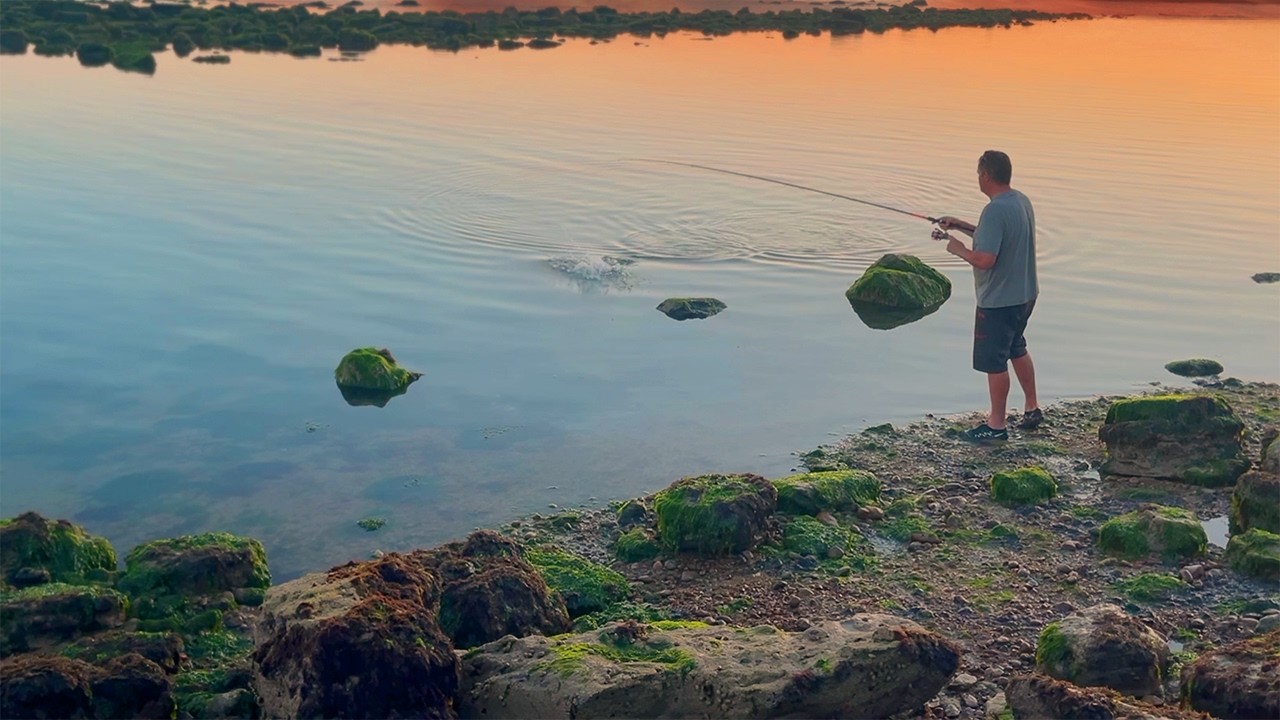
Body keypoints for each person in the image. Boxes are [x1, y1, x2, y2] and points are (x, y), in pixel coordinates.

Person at [936, 150, 1041, 443]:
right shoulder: (1020, 200)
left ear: (985, 175)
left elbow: (985, 259)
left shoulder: (994, 210)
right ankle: (1032, 407)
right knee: (1016, 347)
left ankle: (996, 426)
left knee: (995, 361)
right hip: (1026, 295)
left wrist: (956, 247)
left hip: (999, 301)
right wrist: (957, 224)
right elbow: (994, 235)